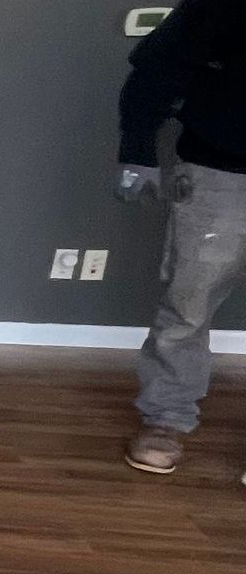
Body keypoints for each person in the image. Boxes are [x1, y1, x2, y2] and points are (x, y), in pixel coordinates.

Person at [118, 0, 246, 478]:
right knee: (188, 305)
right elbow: (160, 65)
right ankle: (166, 419)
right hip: (222, 171)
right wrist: (136, 150)